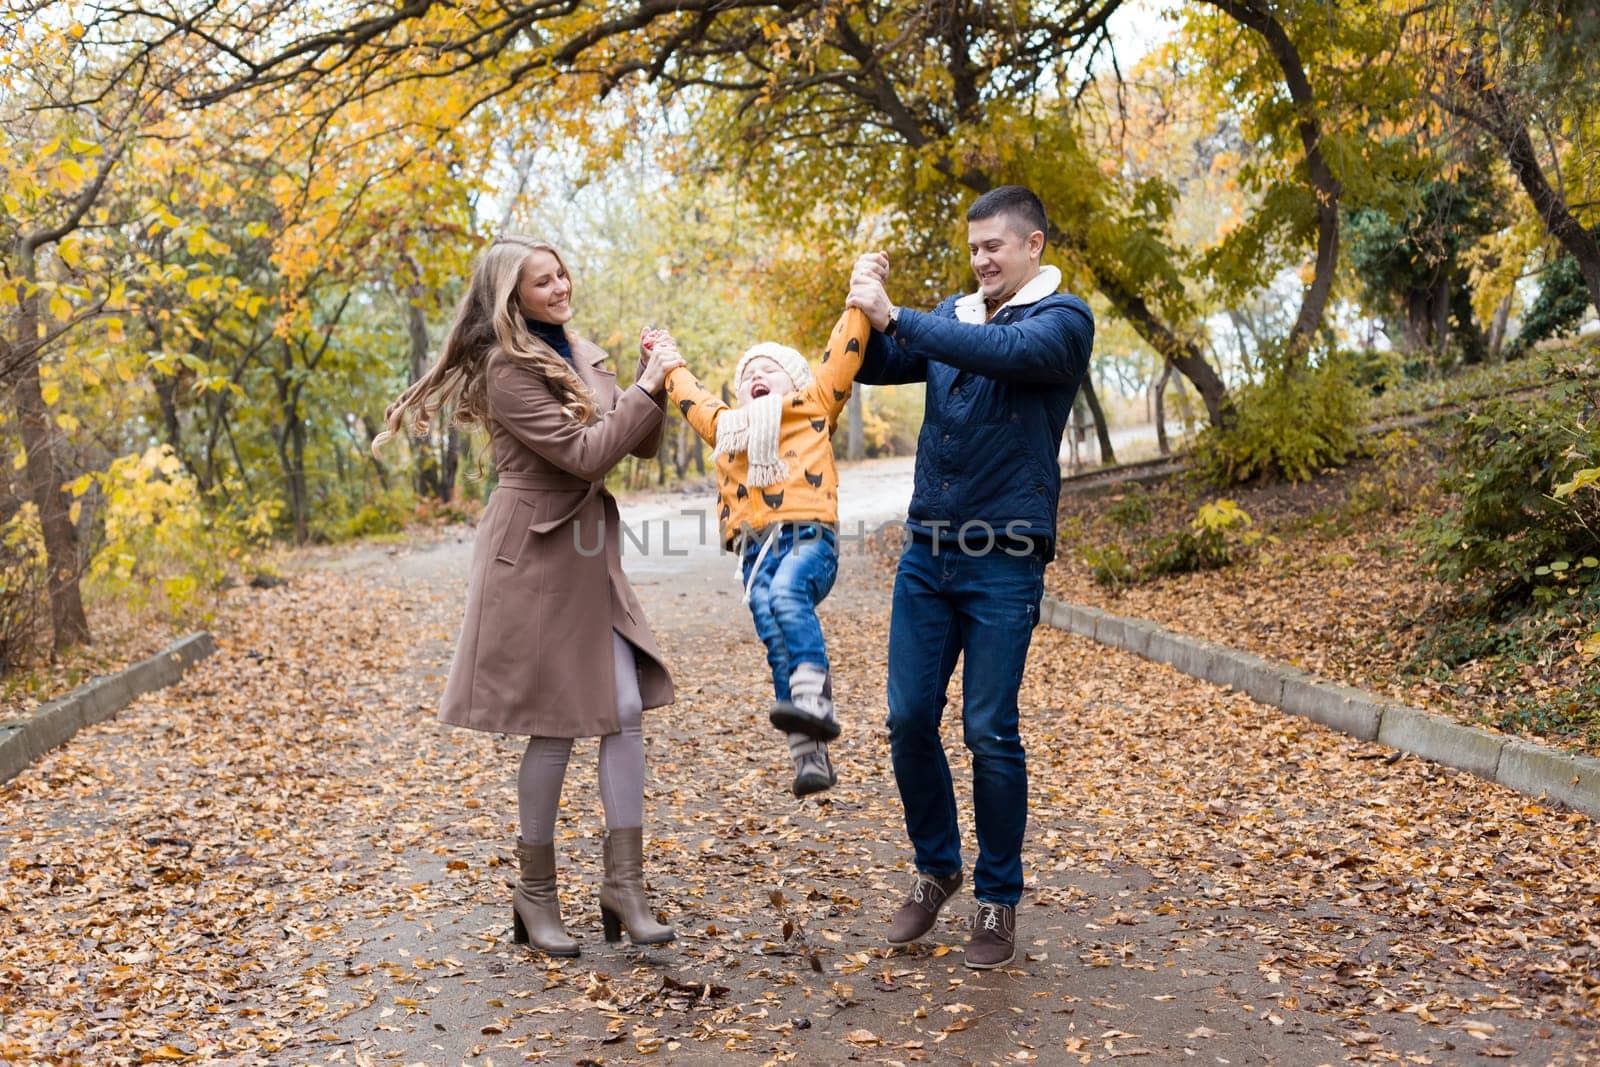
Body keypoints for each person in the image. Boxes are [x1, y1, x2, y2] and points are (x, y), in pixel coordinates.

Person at [374, 235, 685, 957]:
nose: (559, 286)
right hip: (536, 549)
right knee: (557, 723)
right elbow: (584, 454)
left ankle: (624, 884)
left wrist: (649, 379)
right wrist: (644, 388)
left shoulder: (581, 349)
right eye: (541, 280)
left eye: (562, 273)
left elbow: (634, 445)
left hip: (585, 547)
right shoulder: (508, 368)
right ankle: (535, 892)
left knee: (624, 709)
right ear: (511, 294)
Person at [844, 186, 1095, 970]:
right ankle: (938, 866)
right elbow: (879, 361)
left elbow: (1008, 357)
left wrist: (899, 315)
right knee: (908, 717)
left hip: (1004, 554)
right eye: (975, 247)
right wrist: (855, 306)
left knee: (990, 729)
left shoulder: (1063, 320)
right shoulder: (955, 315)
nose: (982, 259)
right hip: (928, 553)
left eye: (997, 246)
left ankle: (998, 898)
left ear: (1034, 247)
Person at [651, 304, 871, 797]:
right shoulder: (729, 428)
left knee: (789, 593)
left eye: (767, 369)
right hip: (754, 553)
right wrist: (667, 359)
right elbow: (691, 397)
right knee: (771, 626)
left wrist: (859, 299)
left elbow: (842, 354)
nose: (755, 375)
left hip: (808, 538)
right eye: (747, 373)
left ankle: (816, 700)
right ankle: (808, 753)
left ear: (794, 380)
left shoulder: (813, 404)